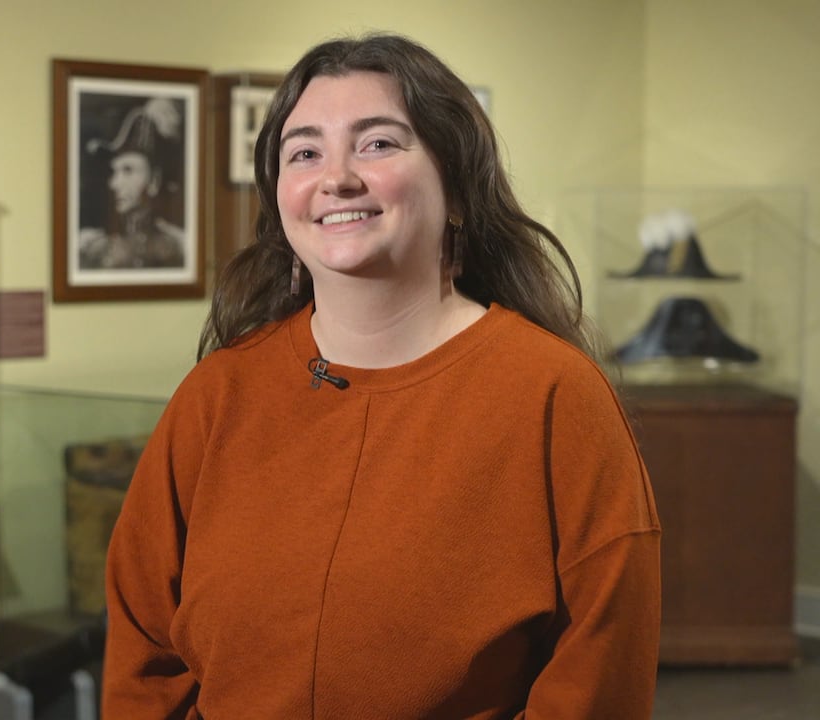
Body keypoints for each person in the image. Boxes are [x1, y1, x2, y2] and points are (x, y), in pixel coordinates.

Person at [102, 33, 661, 719]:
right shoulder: (217, 395)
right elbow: (143, 655)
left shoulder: (554, 396)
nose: (337, 177)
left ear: (456, 188)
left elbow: (596, 679)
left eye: (378, 144)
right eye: (304, 152)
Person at [78, 97, 186, 269]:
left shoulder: (179, 246)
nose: (114, 183)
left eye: (128, 170)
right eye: (113, 172)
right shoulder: (89, 247)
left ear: (154, 181)